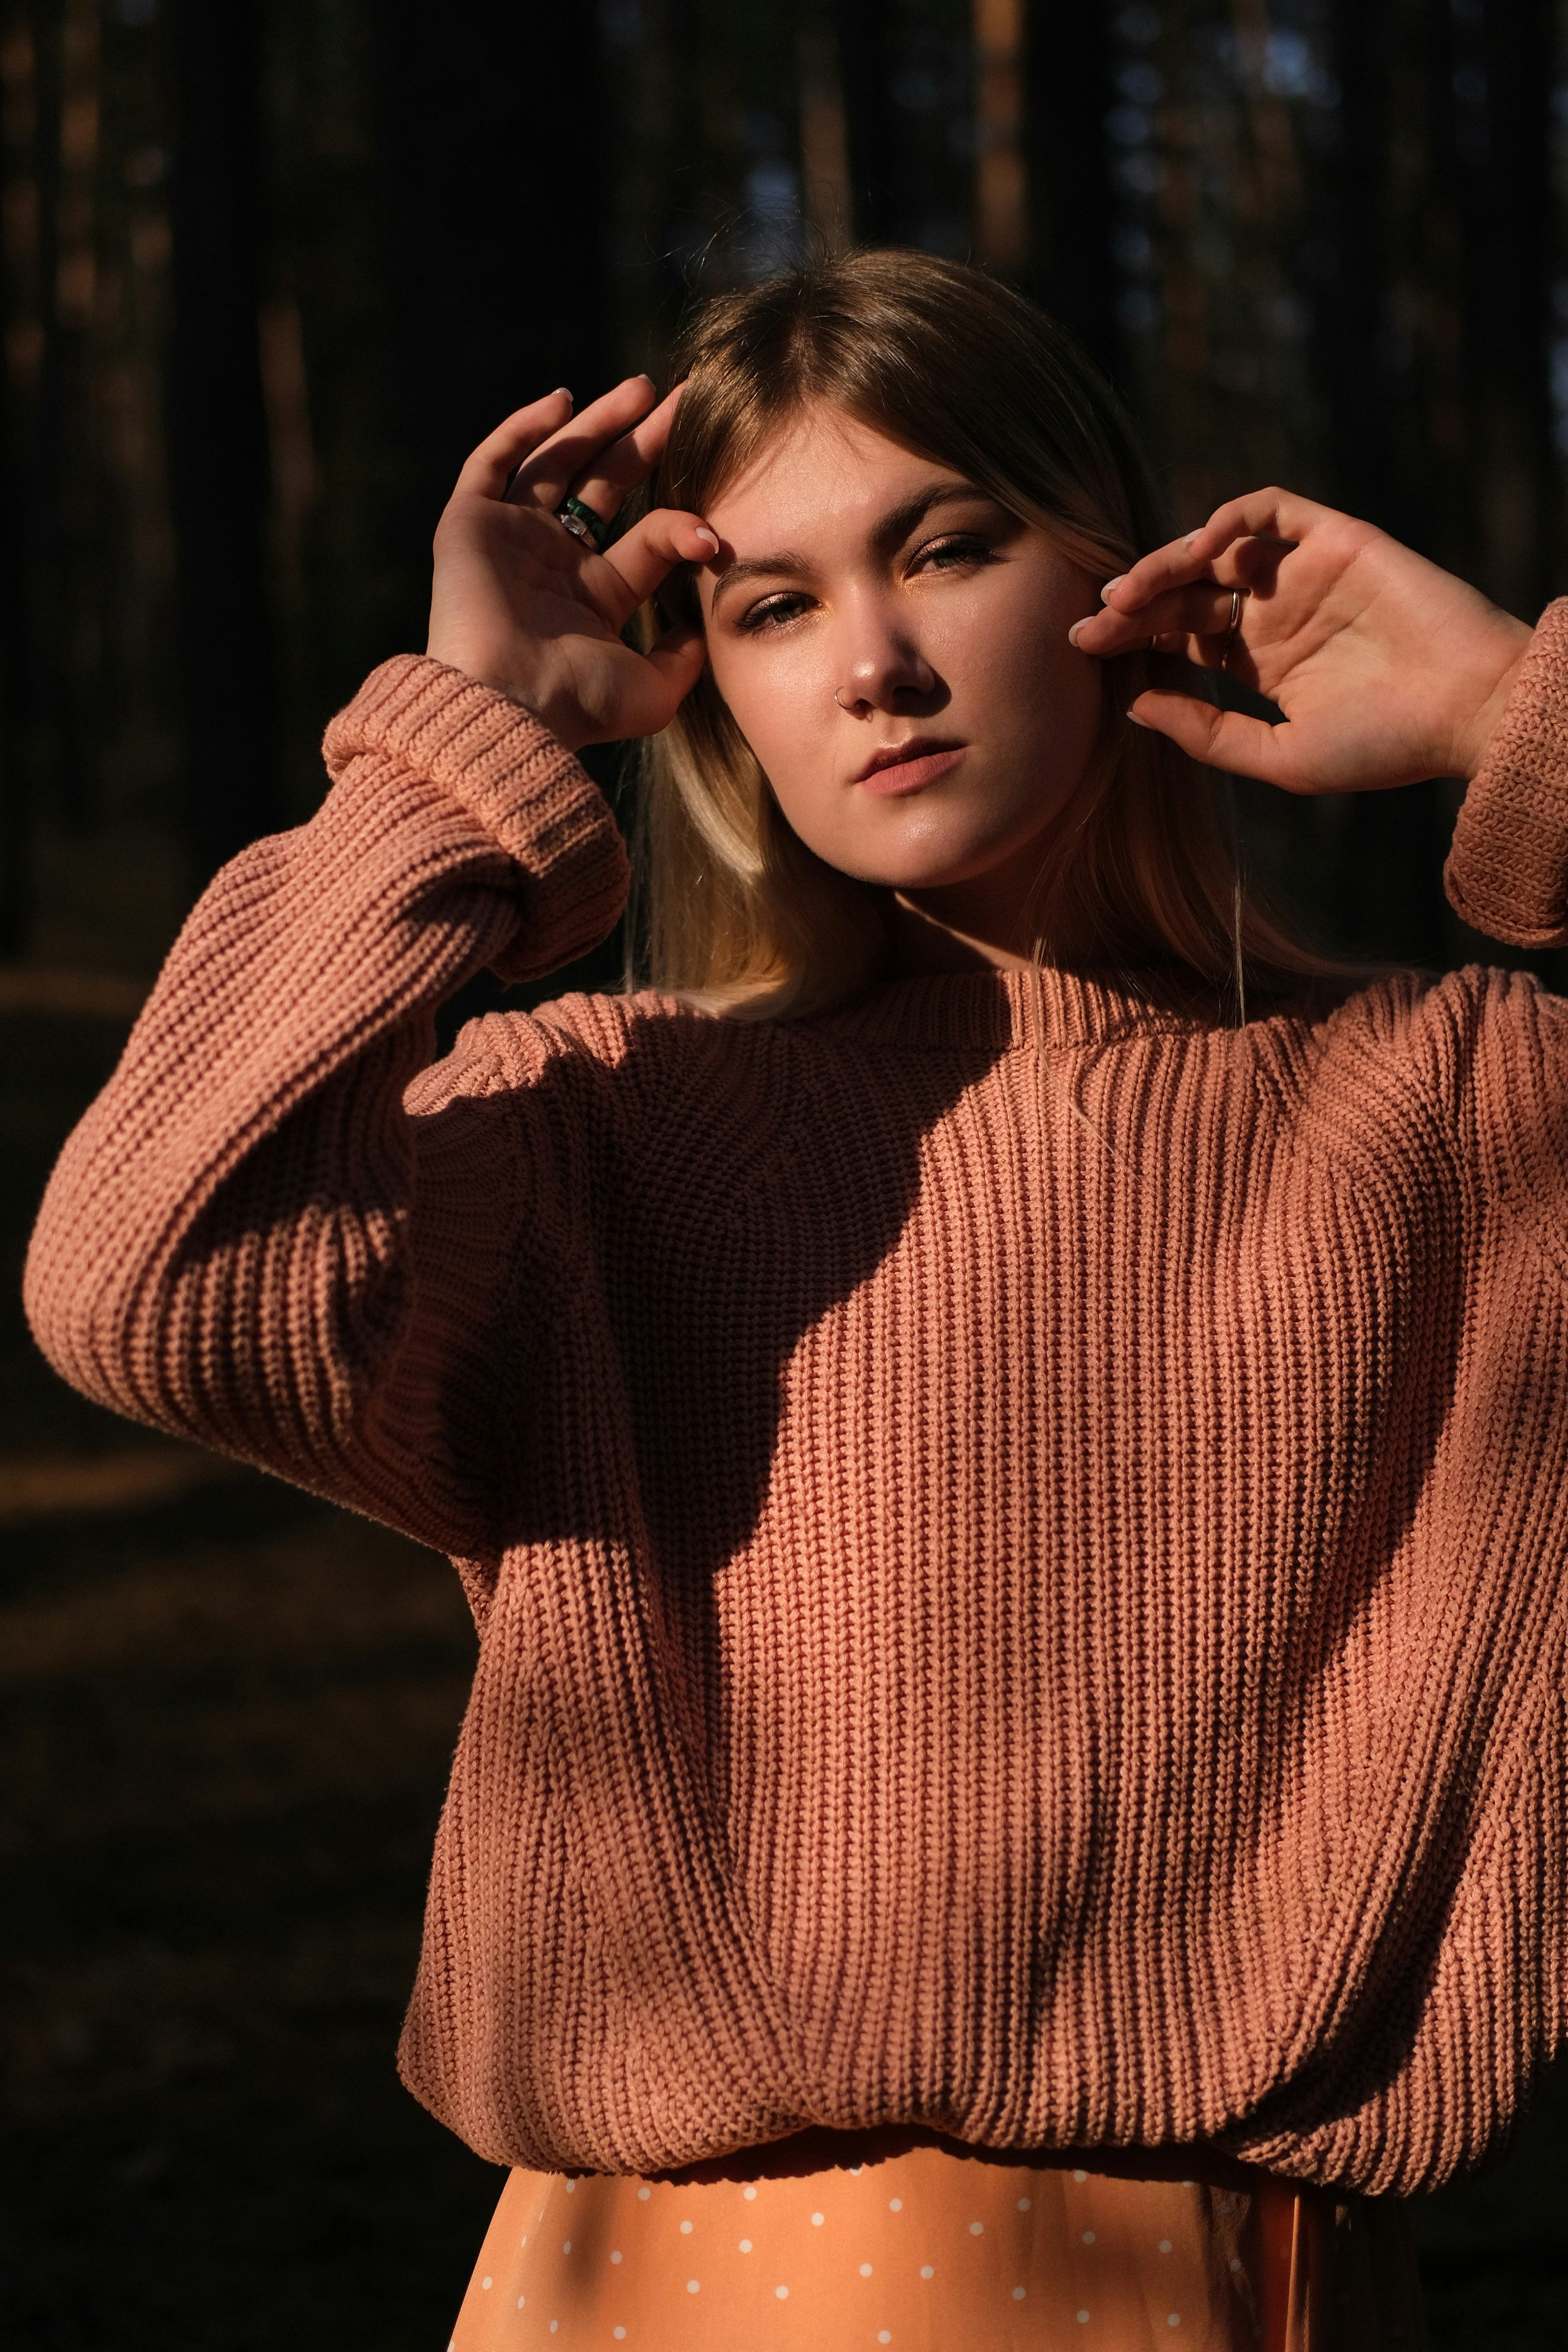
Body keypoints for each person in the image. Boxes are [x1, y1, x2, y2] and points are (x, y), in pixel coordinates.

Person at [24, 248, 1568, 2351]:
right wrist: (449, 758)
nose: (874, 664)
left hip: (1246, 2281)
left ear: (1118, 567)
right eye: (772, 604)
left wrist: (1518, 723)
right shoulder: (608, 1126)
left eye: (947, 546)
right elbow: (152, 1282)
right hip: (670, 2289)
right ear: (715, 683)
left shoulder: (1468, 1113)